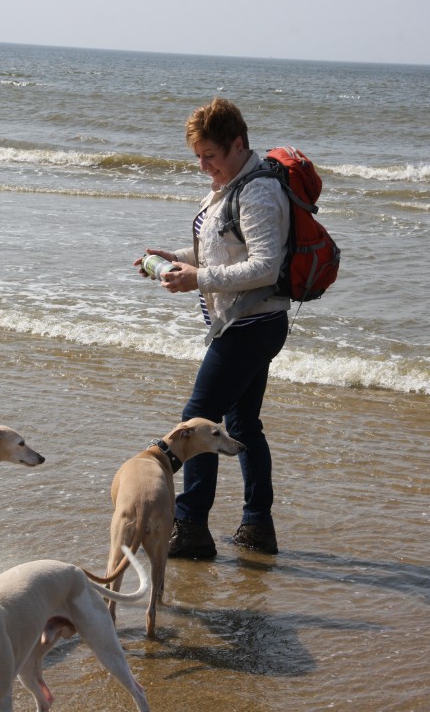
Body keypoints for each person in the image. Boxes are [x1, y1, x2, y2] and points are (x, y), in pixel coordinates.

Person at [134, 97, 290, 557]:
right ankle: (257, 527)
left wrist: (197, 278)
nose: (204, 166)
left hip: (251, 325)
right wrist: (175, 260)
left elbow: (265, 266)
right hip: (249, 324)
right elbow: (223, 249)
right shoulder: (230, 185)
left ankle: (191, 528)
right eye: (198, 157)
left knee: (196, 422)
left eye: (211, 156)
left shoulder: (257, 192)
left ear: (238, 144)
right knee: (243, 424)